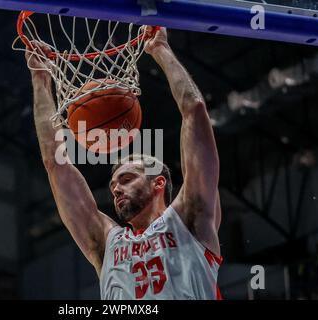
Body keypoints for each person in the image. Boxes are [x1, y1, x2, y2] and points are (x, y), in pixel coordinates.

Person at [25, 26, 222, 300]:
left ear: (158, 182)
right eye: (114, 183)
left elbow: (194, 111)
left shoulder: (190, 218)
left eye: (127, 179)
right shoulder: (106, 241)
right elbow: (56, 163)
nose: (115, 189)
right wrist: (40, 79)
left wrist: (160, 50)